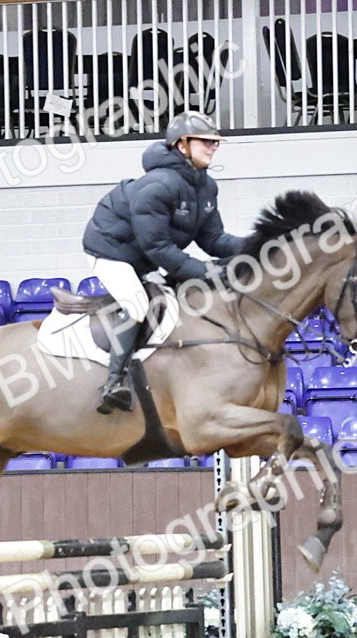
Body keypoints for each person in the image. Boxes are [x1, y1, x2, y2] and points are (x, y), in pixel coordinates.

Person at [81, 110, 247, 415]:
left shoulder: (205, 187)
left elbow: (213, 240)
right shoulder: (156, 186)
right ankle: (112, 384)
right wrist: (207, 273)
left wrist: (254, 246)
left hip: (144, 256)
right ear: (182, 145)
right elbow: (158, 248)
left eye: (215, 143)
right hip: (111, 251)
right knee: (136, 305)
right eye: (206, 141)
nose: (214, 147)